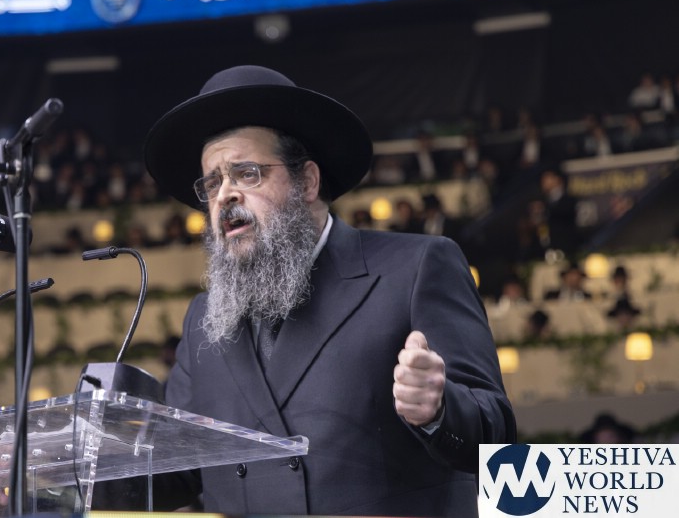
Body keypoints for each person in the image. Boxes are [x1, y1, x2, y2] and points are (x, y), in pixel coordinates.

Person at [141, 65, 515, 516]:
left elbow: (496, 437)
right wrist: (98, 443)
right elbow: (177, 476)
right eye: (213, 182)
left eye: (247, 173)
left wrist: (438, 410)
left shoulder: (417, 267)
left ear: (308, 182)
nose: (225, 195)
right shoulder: (203, 318)